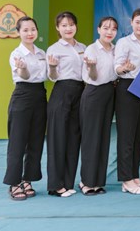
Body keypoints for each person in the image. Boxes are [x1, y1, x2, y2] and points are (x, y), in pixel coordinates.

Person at [114, 8, 140, 195]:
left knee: (139, 135)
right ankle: (126, 179)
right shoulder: (124, 42)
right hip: (127, 89)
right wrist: (124, 68)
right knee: (127, 136)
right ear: (131, 23)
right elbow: (117, 67)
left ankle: (135, 175)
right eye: (137, 22)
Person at [4, 16, 47, 201]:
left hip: (40, 95)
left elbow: (48, 75)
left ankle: (27, 179)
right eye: (25, 30)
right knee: (18, 141)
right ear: (18, 32)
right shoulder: (16, 54)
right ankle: (14, 183)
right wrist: (22, 68)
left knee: (36, 140)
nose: (30, 33)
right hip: (22, 96)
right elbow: (25, 75)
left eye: (33, 29)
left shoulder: (42, 53)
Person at [46, 11, 86, 197]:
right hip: (62, 92)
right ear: (57, 28)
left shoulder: (83, 47)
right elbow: (52, 77)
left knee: (73, 138)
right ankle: (55, 185)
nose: (68, 28)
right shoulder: (54, 49)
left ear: (76, 26)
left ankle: (68, 182)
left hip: (80, 92)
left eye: (71, 24)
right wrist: (53, 67)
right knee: (58, 138)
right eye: (64, 25)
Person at [78, 16, 118, 195]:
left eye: (113, 29)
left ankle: (98, 181)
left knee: (103, 137)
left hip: (110, 92)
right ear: (99, 29)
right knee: (91, 138)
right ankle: (86, 181)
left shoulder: (115, 49)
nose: (110, 32)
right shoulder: (92, 49)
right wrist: (92, 67)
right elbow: (93, 77)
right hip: (94, 93)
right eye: (106, 28)